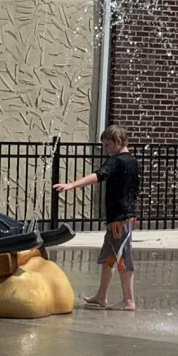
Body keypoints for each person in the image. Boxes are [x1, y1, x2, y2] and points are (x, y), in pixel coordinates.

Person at [52, 125, 140, 311]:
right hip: (119, 217)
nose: (106, 150)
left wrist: (72, 185)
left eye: (108, 145)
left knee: (123, 258)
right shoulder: (132, 161)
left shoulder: (117, 161)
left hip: (121, 219)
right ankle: (101, 296)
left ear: (118, 142)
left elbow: (98, 175)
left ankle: (128, 301)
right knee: (109, 257)